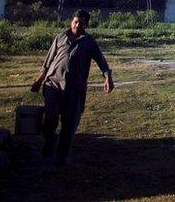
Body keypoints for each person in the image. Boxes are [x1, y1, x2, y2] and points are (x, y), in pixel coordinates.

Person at [31, 9, 113, 165]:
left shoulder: (89, 42)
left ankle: (62, 157)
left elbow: (101, 61)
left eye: (81, 23)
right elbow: (48, 62)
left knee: (69, 125)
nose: (77, 25)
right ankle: (50, 143)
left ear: (86, 24)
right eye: (75, 21)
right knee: (50, 120)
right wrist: (38, 80)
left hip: (75, 88)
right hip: (53, 85)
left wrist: (108, 77)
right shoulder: (60, 37)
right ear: (71, 21)